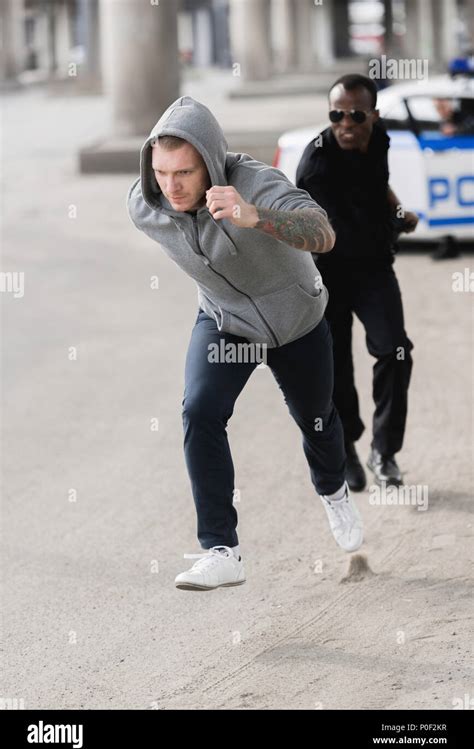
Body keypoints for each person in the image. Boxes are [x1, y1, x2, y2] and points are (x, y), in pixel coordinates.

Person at [127, 96, 363, 591]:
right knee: (200, 409)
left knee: (316, 420)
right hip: (225, 322)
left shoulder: (255, 183)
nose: (171, 186)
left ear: (211, 164)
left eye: (185, 173)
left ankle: (333, 489)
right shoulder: (146, 206)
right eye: (162, 172)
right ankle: (222, 550)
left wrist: (255, 217)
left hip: (296, 319)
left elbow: (323, 234)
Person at [296, 74, 418, 492]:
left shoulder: (379, 138)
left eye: (355, 114)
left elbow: (376, 182)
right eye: (336, 114)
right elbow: (332, 237)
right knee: (335, 366)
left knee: (396, 351)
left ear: (374, 115)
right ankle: (345, 444)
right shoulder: (316, 165)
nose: (345, 123)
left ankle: (384, 451)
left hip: (372, 268)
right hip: (328, 269)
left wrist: (398, 210)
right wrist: (393, 227)